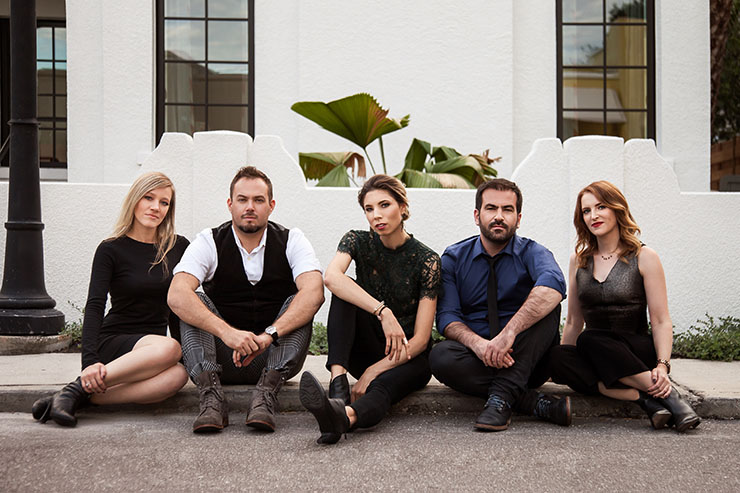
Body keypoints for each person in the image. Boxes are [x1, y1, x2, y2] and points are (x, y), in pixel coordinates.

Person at [167, 166, 324, 433]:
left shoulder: (291, 240)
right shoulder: (209, 240)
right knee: (192, 301)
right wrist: (228, 334)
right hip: (219, 358)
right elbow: (176, 294)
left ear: (271, 205)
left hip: (273, 358)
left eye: (258, 200)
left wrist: (268, 336)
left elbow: (314, 293)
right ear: (230, 204)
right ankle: (211, 398)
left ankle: (265, 396)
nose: (250, 207)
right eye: (242, 199)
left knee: (300, 300)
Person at [31, 172, 190, 427]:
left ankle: (80, 397)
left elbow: (177, 305)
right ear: (135, 200)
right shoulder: (111, 249)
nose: (155, 207)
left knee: (179, 375)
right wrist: (90, 362)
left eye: (164, 202)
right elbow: (95, 306)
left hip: (151, 350)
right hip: (115, 341)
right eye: (148, 198)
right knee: (170, 348)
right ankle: (79, 386)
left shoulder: (178, 247)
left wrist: (189, 352)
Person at [299, 174, 440, 444]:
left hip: (408, 357)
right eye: (369, 208)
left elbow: (421, 340)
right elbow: (331, 277)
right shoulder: (356, 241)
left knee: (381, 386)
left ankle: (342, 417)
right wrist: (383, 312)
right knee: (344, 289)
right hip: (368, 344)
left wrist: (372, 371)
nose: (377, 215)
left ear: (403, 207)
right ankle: (338, 385)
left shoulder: (427, 260)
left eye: (385, 205)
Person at [549, 181, 700, 432]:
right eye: (586, 211)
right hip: (596, 349)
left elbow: (661, 319)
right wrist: (569, 362)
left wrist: (663, 365)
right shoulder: (580, 260)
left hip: (635, 350)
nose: (593, 216)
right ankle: (647, 400)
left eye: (601, 207)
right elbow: (575, 321)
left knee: (589, 340)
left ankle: (669, 395)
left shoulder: (644, 256)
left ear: (616, 209)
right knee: (557, 356)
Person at [430, 178, 571, 432]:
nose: (499, 216)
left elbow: (554, 285)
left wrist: (509, 334)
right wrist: (481, 346)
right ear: (477, 215)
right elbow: (447, 318)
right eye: (491, 208)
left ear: (518, 218)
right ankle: (526, 400)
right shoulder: (453, 257)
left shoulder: (533, 252)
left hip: (526, 359)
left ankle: (501, 398)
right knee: (440, 356)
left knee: (548, 305)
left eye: (507, 210)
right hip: (478, 358)